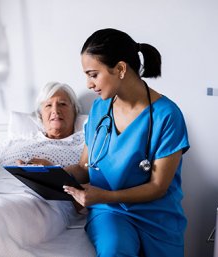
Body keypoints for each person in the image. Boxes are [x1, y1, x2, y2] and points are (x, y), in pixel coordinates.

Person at [63, 28, 190, 257]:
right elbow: (84, 167)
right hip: (110, 212)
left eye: (93, 74)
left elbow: (158, 186)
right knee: (114, 251)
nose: (88, 84)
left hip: (158, 216)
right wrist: (51, 174)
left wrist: (104, 195)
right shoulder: (100, 109)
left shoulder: (167, 116)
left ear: (121, 69)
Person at [0, 81, 84, 195]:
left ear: (75, 111)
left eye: (62, 104)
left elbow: (84, 186)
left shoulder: (83, 145)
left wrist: (52, 173)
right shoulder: (13, 142)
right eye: (48, 105)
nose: (55, 110)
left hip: (34, 199)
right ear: (40, 115)